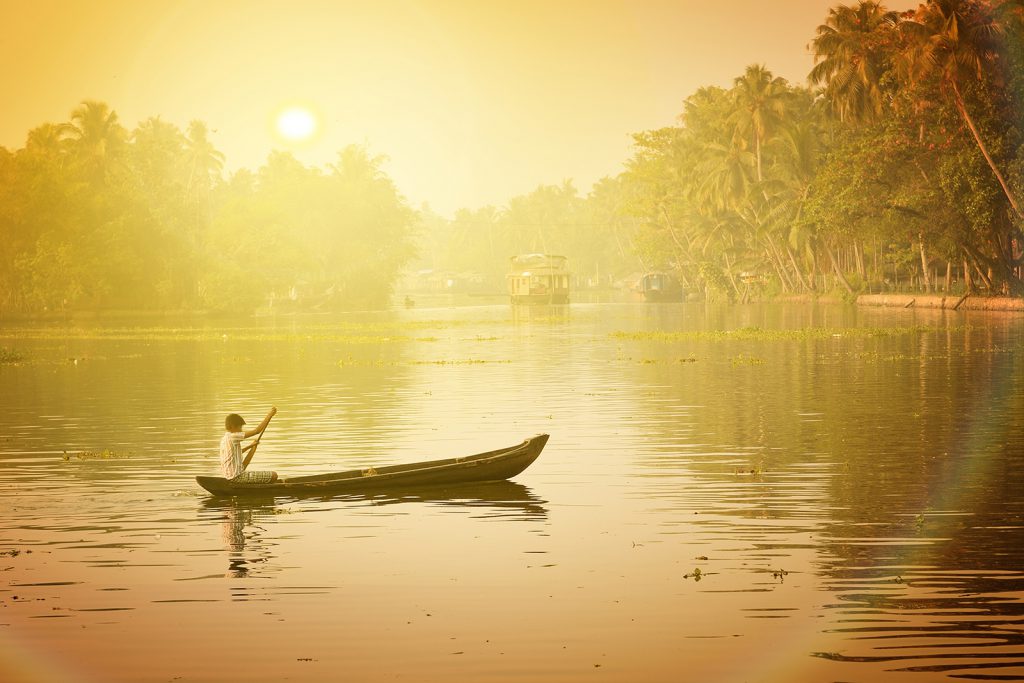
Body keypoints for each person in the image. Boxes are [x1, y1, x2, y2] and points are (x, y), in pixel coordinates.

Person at [220, 407, 281, 483]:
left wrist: (251, 446)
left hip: (229, 476)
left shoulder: (224, 439)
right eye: (240, 427)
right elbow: (257, 431)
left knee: (246, 460)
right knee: (274, 475)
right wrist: (269, 415)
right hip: (237, 477)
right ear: (232, 426)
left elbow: (236, 453)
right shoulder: (233, 436)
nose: (241, 430)